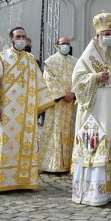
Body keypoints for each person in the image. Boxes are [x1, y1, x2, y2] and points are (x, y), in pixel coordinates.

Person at [70, 13, 111, 205]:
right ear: (97, 36)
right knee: (95, 148)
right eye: (105, 33)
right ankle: (93, 192)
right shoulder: (87, 56)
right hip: (95, 114)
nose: (109, 36)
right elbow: (77, 81)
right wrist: (94, 78)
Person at [0, 26, 52, 192]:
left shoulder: (30, 59)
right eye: (18, 36)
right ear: (11, 39)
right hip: (5, 112)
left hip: (27, 113)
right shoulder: (1, 58)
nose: (21, 40)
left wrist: (39, 106)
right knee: (5, 146)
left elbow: (39, 83)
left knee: (24, 146)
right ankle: (0, 182)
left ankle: (23, 180)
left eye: (23, 37)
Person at [39, 34, 77, 174]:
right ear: (57, 45)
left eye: (67, 43)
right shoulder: (50, 62)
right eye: (62, 44)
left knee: (70, 131)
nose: (65, 46)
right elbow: (48, 80)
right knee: (55, 131)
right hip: (57, 104)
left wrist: (73, 93)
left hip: (72, 103)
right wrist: (62, 94)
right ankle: (54, 164)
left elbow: (79, 79)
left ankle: (70, 163)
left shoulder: (76, 62)